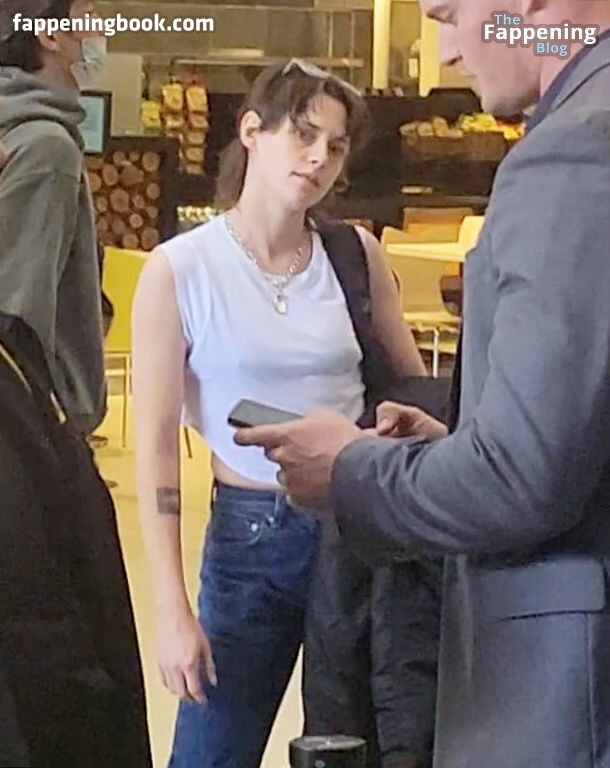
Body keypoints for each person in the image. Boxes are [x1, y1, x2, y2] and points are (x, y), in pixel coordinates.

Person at [235, 2, 610, 767]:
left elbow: (521, 479)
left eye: (448, 13)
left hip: (566, 703)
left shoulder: (575, 150)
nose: (444, 53)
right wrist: (455, 442)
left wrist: (351, 470)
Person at [132, 59, 439, 768]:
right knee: (212, 751)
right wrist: (172, 610)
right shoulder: (181, 269)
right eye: (303, 134)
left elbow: (413, 391)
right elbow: (154, 450)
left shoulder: (354, 255)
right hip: (252, 537)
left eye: (336, 146)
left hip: (359, 528)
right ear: (252, 131)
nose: (319, 157)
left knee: (362, 744)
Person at [0, 0, 107, 436]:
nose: (102, 28)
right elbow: (19, 317)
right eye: (89, 14)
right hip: (33, 425)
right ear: (49, 35)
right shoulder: (47, 149)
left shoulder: (19, 130)